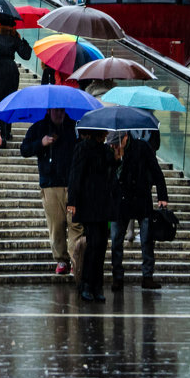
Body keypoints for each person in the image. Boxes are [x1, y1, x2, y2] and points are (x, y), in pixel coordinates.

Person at [20, 108, 80, 276]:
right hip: (51, 184)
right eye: (56, 111)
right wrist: (42, 143)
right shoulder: (39, 128)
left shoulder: (74, 127)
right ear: (49, 111)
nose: (59, 114)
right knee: (57, 224)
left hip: (73, 183)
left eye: (62, 110)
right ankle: (61, 259)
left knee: (76, 224)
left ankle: (76, 260)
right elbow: (24, 149)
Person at [109, 131, 169, 291]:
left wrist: (162, 195)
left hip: (141, 198)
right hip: (120, 201)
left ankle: (147, 276)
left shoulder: (142, 147)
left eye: (116, 143)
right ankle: (117, 276)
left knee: (147, 239)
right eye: (111, 144)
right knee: (116, 239)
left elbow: (156, 170)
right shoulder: (111, 151)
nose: (114, 146)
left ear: (126, 137)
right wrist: (116, 160)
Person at [67, 128, 115, 302]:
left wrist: (117, 156)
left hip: (102, 204)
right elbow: (75, 175)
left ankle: (97, 285)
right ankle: (87, 283)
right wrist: (72, 201)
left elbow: (111, 171)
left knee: (101, 244)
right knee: (94, 243)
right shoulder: (83, 148)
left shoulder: (105, 150)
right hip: (88, 203)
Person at [0, 20, 33, 142]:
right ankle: (6, 131)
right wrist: (23, 41)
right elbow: (26, 55)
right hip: (11, 72)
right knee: (9, 102)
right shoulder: (15, 37)